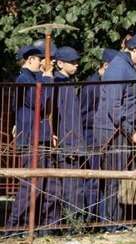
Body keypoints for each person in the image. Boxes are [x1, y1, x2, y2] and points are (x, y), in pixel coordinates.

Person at [93, 29, 136, 224]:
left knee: (116, 179)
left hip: (120, 131)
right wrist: (132, 133)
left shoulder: (128, 66)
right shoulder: (119, 67)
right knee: (112, 179)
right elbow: (114, 106)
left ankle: (113, 221)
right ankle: (109, 224)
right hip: (112, 132)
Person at [6, 45, 53, 229]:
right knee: (29, 186)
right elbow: (38, 104)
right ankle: (12, 226)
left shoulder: (31, 77)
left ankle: (29, 226)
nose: (42, 63)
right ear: (30, 59)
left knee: (41, 185)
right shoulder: (24, 78)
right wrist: (47, 79)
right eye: (39, 59)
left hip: (37, 137)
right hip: (31, 139)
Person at [47, 47, 86, 225]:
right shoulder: (59, 84)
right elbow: (60, 115)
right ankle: (72, 223)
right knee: (71, 187)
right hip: (67, 141)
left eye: (77, 61)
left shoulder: (67, 82)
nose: (77, 65)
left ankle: (71, 222)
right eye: (73, 62)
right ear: (60, 63)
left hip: (72, 140)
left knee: (74, 185)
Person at [81, 48, 117, 220]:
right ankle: (90, 217)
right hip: (91, 136)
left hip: (102, 135)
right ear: (105, 65)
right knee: (93, 178)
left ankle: (100, 217)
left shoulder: (103, 83)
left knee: (102, 179)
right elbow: (83, 114)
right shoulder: (92, 85)